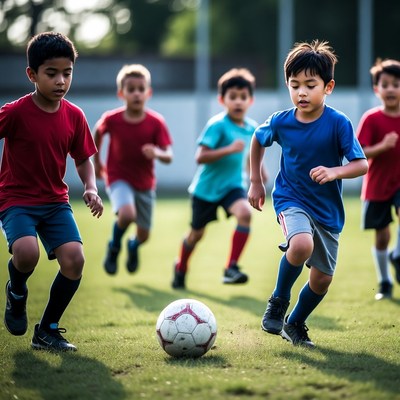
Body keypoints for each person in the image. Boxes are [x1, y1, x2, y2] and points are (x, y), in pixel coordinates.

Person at [248, 40, 368, 348]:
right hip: (291, 199)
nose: (301, 92)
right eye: (294, 85)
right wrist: (256, 181)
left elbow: (361, 164)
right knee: (301, 244)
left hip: (327, 211)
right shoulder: (281, 121)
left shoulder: (339, 123)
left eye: (310, 85)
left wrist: (334, 172)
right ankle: (278, 300)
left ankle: (296, 323)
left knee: (322, 280)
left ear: (328, 87)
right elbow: (257, 140)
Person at [0, 32, 103, 352]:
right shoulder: (15, 112)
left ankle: (47, 330)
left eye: (67, 73)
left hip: (55, 202)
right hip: (16, 200)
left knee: (74, 261)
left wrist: (90, 187)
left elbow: (84, 157)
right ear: (32, 74)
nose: (61, 81)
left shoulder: (74, 116)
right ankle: (16, 293)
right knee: (26, 253)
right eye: (52, 73)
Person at [172, 68, 267, 290]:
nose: (238, 102)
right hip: (205, 190)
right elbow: (201, 156)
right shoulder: (217, 125)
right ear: (222, 99)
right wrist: (228, 149)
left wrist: (260, 174)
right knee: (196, 235)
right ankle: (181, 267)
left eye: (243, 97)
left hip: (233, 186)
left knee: (244, 214)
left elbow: (250, 157)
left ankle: (231, 268)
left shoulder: (253, 128)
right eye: (232, 97)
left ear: (250, 100)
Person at [93, 64, 173, 275]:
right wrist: (97, 163)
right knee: (127, 214)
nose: (136, 93)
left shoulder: (156, 122)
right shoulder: (112, 119)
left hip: (144, 183)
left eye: (141, 88)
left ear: (149, 92)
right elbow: (97, 132)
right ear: (122, 93)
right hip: (118, 176)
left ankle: (133, 245)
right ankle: (114, 246)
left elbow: (168, 155)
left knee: (144, 235)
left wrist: (157, 153)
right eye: (131, 89)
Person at [356, 58, 400, 300]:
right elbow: (359, 152)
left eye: (396, 84)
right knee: (382, 235)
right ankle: (385, 281)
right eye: (386, 84)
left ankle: (398, 255)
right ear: (377, 89)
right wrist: (382, 146)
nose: (391, 89)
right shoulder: (372, 119)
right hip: (377, 184)